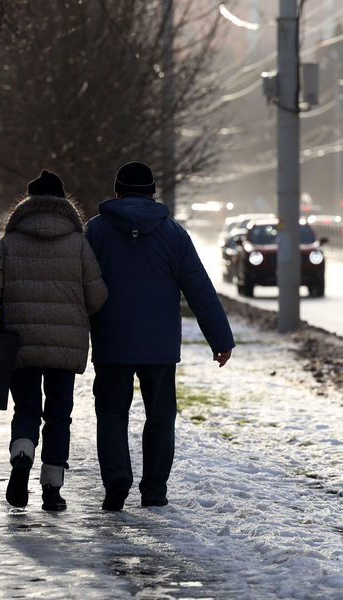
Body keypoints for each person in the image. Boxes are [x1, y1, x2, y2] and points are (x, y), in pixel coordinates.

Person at [86, 161, 234, 511]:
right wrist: (221, 340)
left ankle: (117, 477)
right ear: (153, 193)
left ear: (117, 192)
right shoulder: (173, 233)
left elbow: (79, 282)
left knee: (111, 412)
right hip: (160, 344)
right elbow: (199, 288)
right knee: (161, 414)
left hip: (111, 339)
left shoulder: (95, 231)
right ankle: (153, 489)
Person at [0, 170, 108, 511]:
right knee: (58, 415)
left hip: (19, 342)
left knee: (26, 408)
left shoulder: (9, 242)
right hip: (65, 345)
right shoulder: (78, 244)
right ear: (63, 203)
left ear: (28, 203)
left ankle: (22, 454)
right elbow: (97, 297)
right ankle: (52, 489)